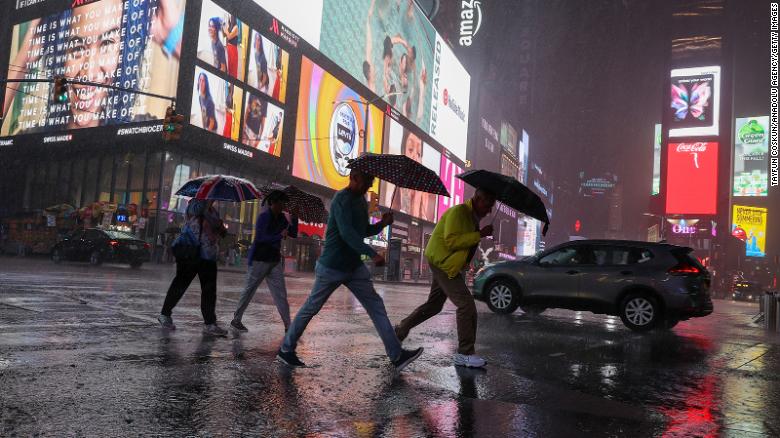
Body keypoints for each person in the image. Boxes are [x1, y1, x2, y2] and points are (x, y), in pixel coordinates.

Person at [276, 169, 423, 371]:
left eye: (371, 181)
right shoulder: (341, 200)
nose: (369, 185)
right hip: (332, 266)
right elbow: (347, 234)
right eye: (366, 180)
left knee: (375, 305)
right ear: (353, 177)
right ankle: (286, 349)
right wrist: (372, 254)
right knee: (311, 307)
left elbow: (363, 231)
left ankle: (396, 355)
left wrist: (382, 223)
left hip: (354, 267)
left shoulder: (361, 201)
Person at [394, 189, 496, 368]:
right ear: (478, 199)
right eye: (487, 205)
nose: (489, 211)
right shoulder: (459, 212)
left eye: (491, 207)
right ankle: (465, 353)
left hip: (448, 264)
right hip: (442, 263)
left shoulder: (472, 218)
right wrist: (479, 235)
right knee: (466, 305)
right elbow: (451, 241)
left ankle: (400, 330)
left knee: (433, 305)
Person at [158, 199, 228, 336]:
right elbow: (198, 215)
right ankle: (165, 314)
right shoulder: (196, 206)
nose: (214, 198)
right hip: (191, 252)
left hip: (208, 255)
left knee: (209, 291)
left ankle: (209, 323)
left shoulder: (213, 211)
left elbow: (220, 232)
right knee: (180, 285)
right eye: (211, 195)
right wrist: (209, 213)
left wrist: (220, 226)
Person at [231, 190, 298, 332]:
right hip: (259, 260)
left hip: (274, 261)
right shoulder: (264, 217)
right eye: (281, 203)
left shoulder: (282, 218)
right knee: (249, 290)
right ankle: (236, 320)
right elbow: (261, 238)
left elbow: (293, 233)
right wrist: (279, 235)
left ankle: (288, 325)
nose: (283, 206)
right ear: (273, 203)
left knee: (281, 294)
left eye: (284, 203)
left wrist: (295, 217)